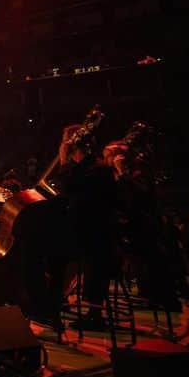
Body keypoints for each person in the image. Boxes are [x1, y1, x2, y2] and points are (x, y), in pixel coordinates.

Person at [55, 124, 118, 330]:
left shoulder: (88, 169)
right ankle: (62, 298)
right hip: (96, 233)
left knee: (51, 253)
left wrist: (63, 161)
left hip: (92, 234)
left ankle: (53, 302)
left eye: (65, 142)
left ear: (73, 145)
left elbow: (66, 189)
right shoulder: (94, 166)